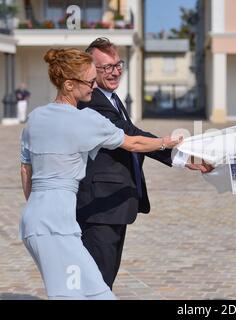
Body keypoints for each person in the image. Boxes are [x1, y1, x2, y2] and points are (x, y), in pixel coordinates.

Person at [19, 48, 181, 299]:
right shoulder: (86, 120)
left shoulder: (35, 118)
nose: (95, 87)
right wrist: (167, 143)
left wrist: (40, 207)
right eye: (90, 82)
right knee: (77, 294)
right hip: (56, 224)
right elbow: (133, 143)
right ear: (70, 84)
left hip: (35, 221)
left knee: (91, 292)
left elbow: (25, 169)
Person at [76, 37, 211, 290]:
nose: (115, 71)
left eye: (118, 64)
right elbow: (131, 137)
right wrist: (173, 147)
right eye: (106, 67)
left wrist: (183, 158)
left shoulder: (112, 99)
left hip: (113, 204)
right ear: (90, 70)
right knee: (96, 282)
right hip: (99, 208)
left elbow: (133, 130)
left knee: (104, 279)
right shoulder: (92, 102)